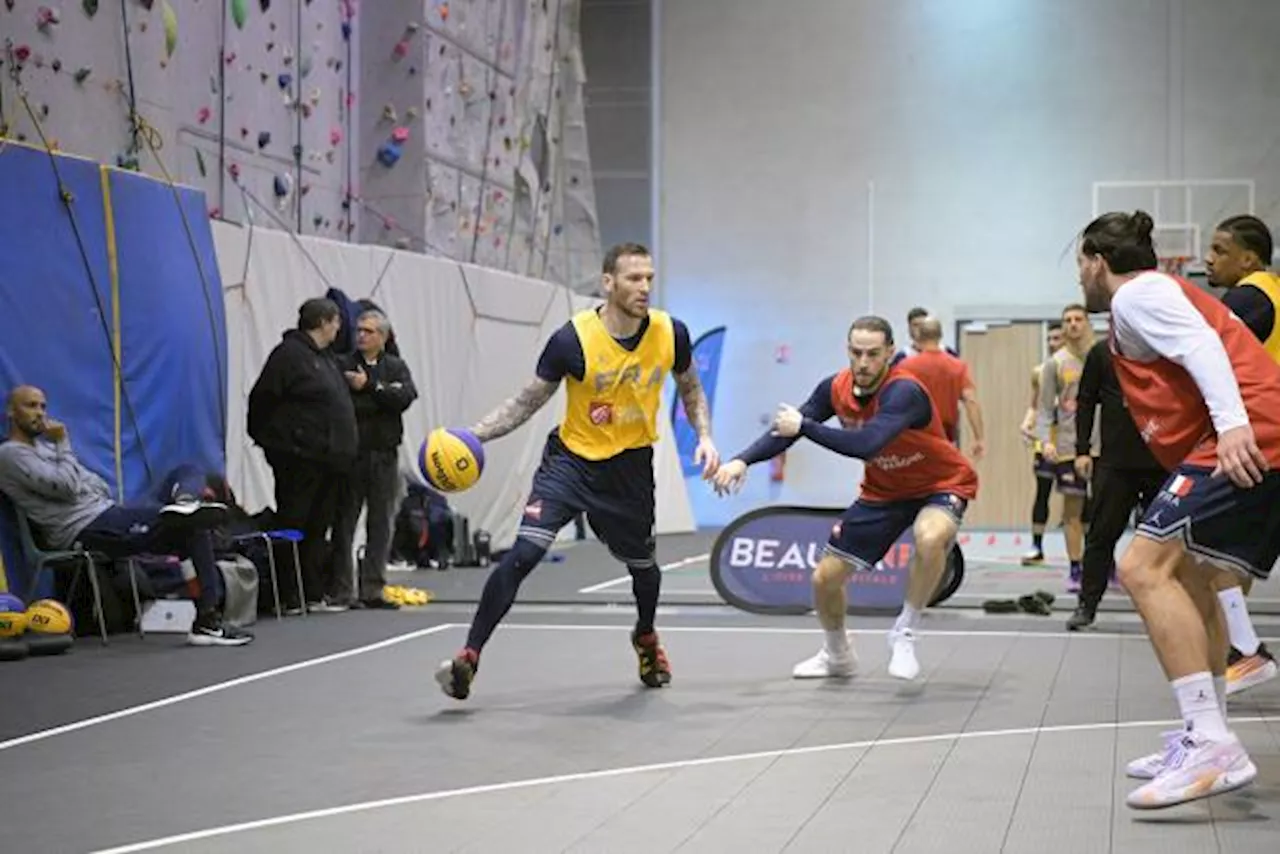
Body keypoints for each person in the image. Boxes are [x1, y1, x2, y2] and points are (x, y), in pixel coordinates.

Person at [434, 242, 720, 700]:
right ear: (608, 283)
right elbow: (527, 401)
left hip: (629, 470)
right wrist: (474, 436)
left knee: (645, 570)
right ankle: (468, 657)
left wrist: (704, 436)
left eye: (649, 278)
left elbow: (690, 388)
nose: (644, 287)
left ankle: (645, 636)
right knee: (523, 555)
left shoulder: (671, 332)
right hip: (570, 463)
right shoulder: (572, 340)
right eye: (633, 278)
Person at [1078, 209, 1277, 809]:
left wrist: (1236, 427)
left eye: (1079, 267)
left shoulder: (1138, 295)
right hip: (1247, 434)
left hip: (1250, 435)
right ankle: (1203, 732)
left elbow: (1202, 348)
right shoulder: (1155, 296)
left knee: (1142, 567)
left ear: (1096, 262)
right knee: (1189, 576)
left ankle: (1212, 742)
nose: (1079, 279)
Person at [712, 316, 978, 682]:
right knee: (824, 579)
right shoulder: (833, 389)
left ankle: (904, 631)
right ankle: (837, 654)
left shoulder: (904, 392)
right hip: (884, 490)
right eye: (857, 353)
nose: (864, 362)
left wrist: (805, 427)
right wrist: (743, 460)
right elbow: (786, 430)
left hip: (940, 481)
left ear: (889, 352)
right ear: (847, 351)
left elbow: (866, 444)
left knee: (930, 537)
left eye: (873, 354)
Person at [0, 386, 252, 646]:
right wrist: (64, 443)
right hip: (84, 528)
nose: (40, 413)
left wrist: (72, 476)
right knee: (193, 524)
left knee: (188, 474)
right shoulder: (10, 454)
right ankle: (207, 620)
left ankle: (185, 501)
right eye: (30, 406)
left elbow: (96, 484)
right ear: (11, 411)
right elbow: (67, 485)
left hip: (108, 512)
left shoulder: (48, 451)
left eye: (43, 406)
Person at [1202, 214, 1279, 694]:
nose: (1208, 258)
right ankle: (1239, 650)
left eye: (1219, 249)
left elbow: (1210, 357)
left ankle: (1246, 652)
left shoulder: (1247, 297)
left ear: (1248, 258)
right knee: (1230, 559)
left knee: (1202, 555)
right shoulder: (1273, 291)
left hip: (1261, 443)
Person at [247, 297, 359, 615]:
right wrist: (281, 443)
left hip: (328, 460)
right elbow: (262, 400)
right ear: (324, 322)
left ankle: (311, 592)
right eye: (336, 321)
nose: (339, 328)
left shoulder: (325, 359)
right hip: (299, 458)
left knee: (317, 526)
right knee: (294, 522)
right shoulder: (289, 356)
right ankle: (288, 593)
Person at [1065, 337, 1166, 631]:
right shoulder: (1102, 352)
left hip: (1159, 461)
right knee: (1100, 536)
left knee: (1164, 541)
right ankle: (1087, 606)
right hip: (1114, 463)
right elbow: (1085, 400)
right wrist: (1082, 449)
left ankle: (1164, 608)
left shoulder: (1166, 346)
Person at [331, 309, 418, 609]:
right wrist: (380, 399)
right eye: (359, 330)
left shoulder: (394, 366)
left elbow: (404, 397)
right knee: (345, 523)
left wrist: (370, 387)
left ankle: (373, 587)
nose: (362, 336)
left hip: (385, 455)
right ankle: (342, 589)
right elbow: (347, 403)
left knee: (381, 522)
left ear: (382, 337)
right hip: (353, 455)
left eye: (369, 331)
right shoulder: (343, 363)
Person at [1034, 305, 1095, 591]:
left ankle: (1105, 565)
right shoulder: (1055, 364)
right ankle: (1075, 568)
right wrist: (1045, 440)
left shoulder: (1105, 356)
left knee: (1105, 513)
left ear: (1088, 323)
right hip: (1069, 446)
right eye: (1067, 320)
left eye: (1078, 319)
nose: (1073, 324)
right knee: (1073, 510)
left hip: (1103, 447)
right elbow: (1044, 409)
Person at [901, 316, 985, 458]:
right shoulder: (957, 367)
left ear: (919, 336)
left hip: (914, 440)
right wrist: (979, 438)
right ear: (940, 336)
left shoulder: (905, 367)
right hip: (945, 439)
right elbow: (971, 401)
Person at [1019, 323, 1063, 564]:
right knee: (1042, 493)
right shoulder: (1039, 371)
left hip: (1070, 442)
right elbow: (1034, 405)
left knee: (1079, 497)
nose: (1053, 342)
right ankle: (1036, 547)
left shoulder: (1078, 368)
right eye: (1050, 339)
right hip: (1046, 441)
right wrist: (1027, 423)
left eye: (1057, 338)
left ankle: (1089, 552)